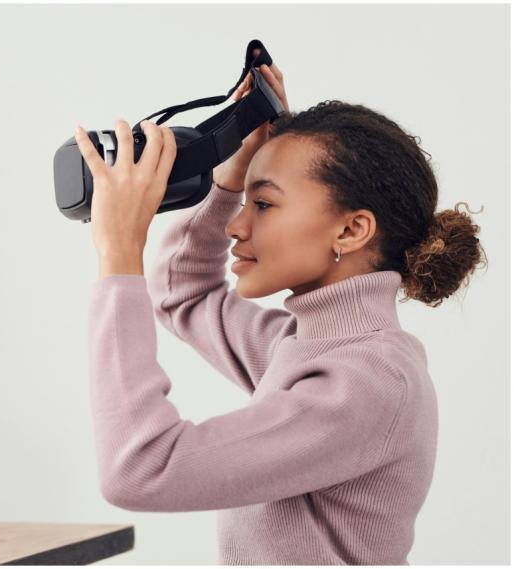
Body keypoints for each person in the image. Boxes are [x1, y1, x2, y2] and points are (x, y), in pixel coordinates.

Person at [77, 60, 487, 564]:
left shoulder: (365, 382)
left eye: (264, 204)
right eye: (244, 204)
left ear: (351, 230)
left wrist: (120, 250)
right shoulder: (303, 347)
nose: (236, 226)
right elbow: (182, 292)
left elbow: (142, 469)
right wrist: (228, 181)